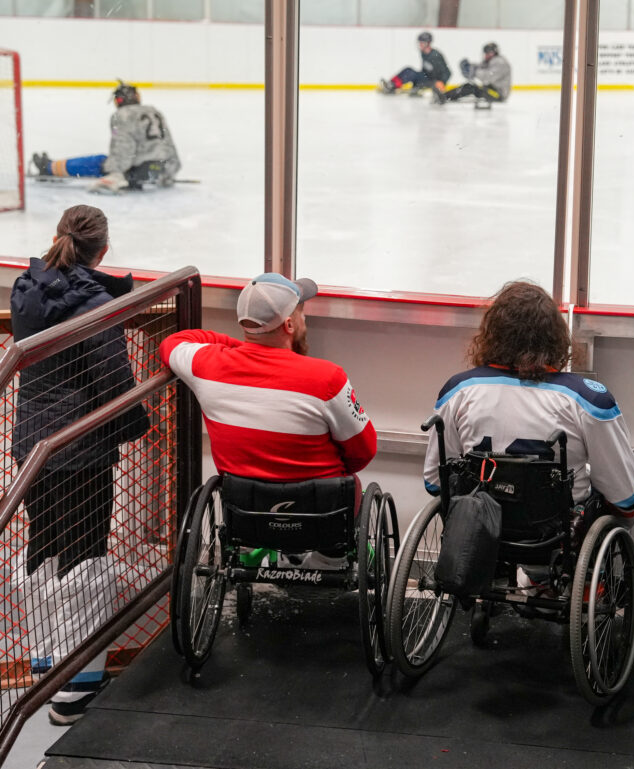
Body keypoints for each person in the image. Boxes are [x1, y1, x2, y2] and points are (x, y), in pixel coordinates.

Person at [11, 204, 150, 724]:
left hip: (33, 447)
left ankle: (46, 666)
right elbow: (113, 378)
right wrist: (136, 425)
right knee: (85, 556)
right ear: (104, 251)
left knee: (44, 548)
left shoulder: (27, 289)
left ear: (57, 238)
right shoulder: (92, 305)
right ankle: (78, 681)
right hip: (80, 451)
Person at [159, 273, 377, 569]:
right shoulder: (328, 378)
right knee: (350, 488)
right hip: (320, 514)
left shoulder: (205, 366)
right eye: (301, 312)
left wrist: (239, 348)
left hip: (247, 511)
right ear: (289, 325)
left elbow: (175, 341)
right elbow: (363, 451)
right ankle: (327, 561)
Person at [423, 281, 634, 539]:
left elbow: (435, 482)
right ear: (556, 337)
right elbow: (626, 499)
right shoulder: (589, 399)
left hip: (480, 533)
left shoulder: (458, 390)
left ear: (491, 335)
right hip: (558, 538)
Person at [31, 81, 180, 194]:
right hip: (164, 167)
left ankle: (49, 167)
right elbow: (168, 144)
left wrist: (116, 172)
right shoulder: (154, 111)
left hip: (139, 170)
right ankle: (51, 166)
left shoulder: (122, 115)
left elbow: (123, 146)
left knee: (100, 162)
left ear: (118, 100)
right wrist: (169, 171)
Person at [378, 31, 451, 100]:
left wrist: (442, 82)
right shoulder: (423, 53)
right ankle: (391, 84)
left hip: (433, 81)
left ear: (427, 43)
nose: (420, 44)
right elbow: (425, 70)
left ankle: (391, 86)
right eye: (419, 43)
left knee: (411, 73)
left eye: (422, 43)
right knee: (408, 70)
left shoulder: (435, 56)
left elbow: (447, 72)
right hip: (426, 78)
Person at [438, 42, 512, 106]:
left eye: (486, 53)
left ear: (491, 53)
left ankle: (444, 97)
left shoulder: (500, 62)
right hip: (493, 90)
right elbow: (480, 67)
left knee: (471, 88)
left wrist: (474, 71)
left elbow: (488, 76)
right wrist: (470, 67)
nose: (485, 55)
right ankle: (445, 96)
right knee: (470, 86)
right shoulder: (492, 61)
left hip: (498, 95)